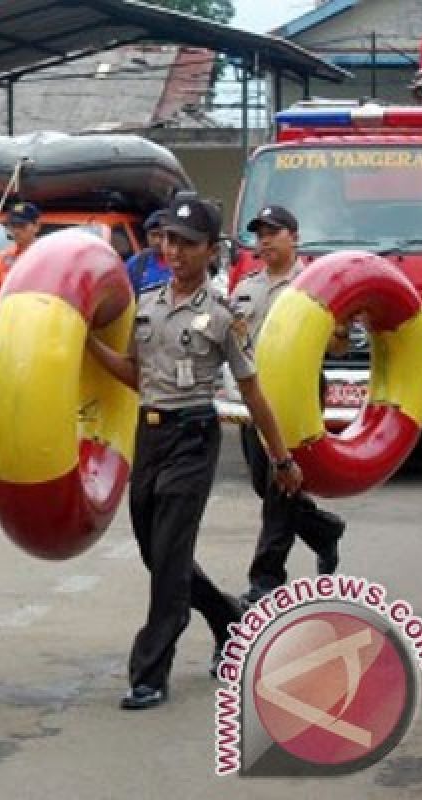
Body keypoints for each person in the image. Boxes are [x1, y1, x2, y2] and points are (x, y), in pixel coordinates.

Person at [85, 195, 303, 711]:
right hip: (150, 435)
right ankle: (229, 620)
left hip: (193, 436)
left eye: (185, 243)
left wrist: (281, 457)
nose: (172, 250)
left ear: (209, 250)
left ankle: (149, 672)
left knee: (169, 558)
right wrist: (88, 344)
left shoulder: (225, 317)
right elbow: (136, 375)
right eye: (167, 240)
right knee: (154, 550)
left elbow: (252, 392)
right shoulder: (149, 302)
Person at [234, 205, 346, 605]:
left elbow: (337, 343)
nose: (264, 240)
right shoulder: (245, 287)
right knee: (264, 485)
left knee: (279, 485)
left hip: (296, 394)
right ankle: (322, 530)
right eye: (259, 233)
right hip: (255, 396)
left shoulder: (314, 285)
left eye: (273, 232)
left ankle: (266, 578)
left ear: (294, 237)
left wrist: (341, 332)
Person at [0, 201, 41, 299]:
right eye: (12, 225)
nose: (16, 231)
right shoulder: (0, 259)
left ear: (36, 226)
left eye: (22, 226)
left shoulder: (49, 256)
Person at [123, 210, 170, 297]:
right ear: (147, 235)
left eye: (162, 235)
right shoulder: (136, 263)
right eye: (153, 235)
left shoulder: (183, 262)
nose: (157, 241)